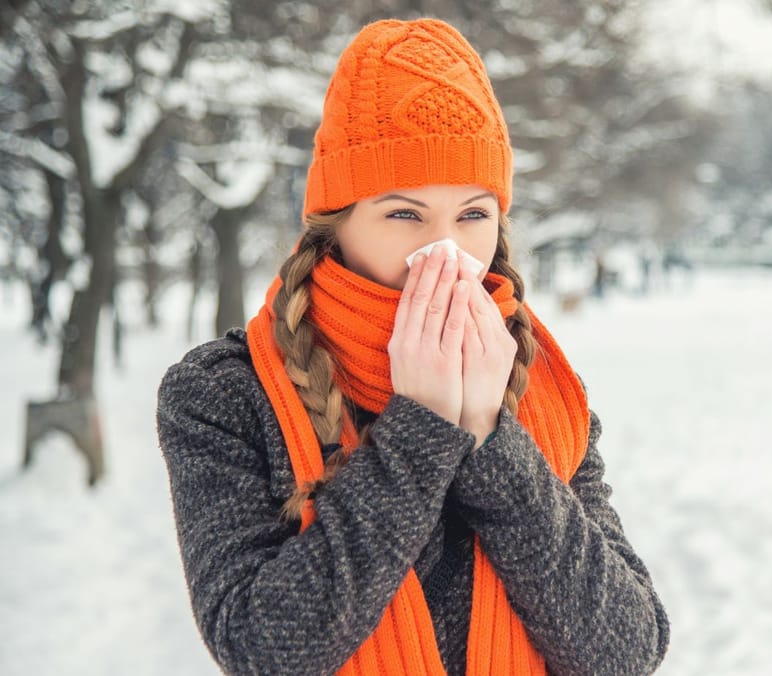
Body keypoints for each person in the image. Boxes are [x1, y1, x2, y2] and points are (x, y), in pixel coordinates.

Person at [156, 18, 669, 676]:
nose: (446, 250)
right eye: (404, 213)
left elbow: (626, 652)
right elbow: (260, 648)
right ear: (335, 223)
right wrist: (421, 428)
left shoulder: (544, 391)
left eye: (473, 214)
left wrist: (489, 436)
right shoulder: (224, 391)